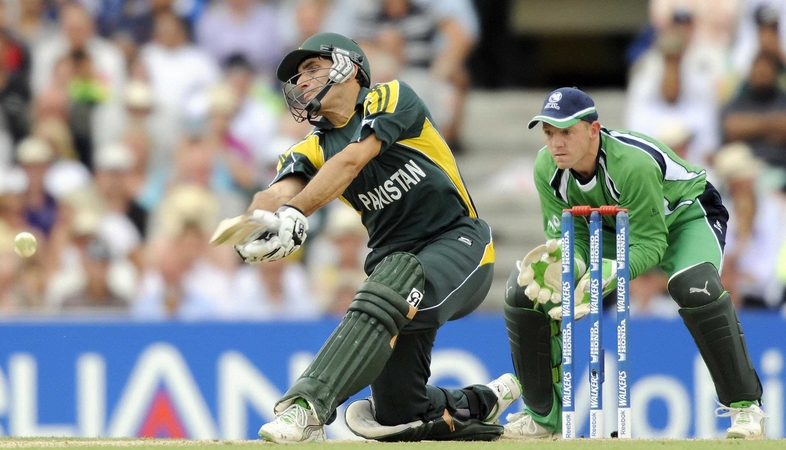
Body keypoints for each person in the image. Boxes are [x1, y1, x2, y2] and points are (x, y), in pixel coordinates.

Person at [229, 32, 519, 443]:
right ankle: (479, 401)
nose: (302, 81)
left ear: (350, 66)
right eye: (297, 76)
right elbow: (277, 191)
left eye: (312, 68)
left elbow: (352, 160)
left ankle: (307, 408)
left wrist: (295, 213)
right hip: (392, 275)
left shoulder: (391, 97)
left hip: (459, 246)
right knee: (396, 411)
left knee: (395, 271)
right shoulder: (313, 147)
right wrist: (257, 219)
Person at [504, 87, 767, 439]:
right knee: (522, 291)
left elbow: (651, 242)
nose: (556, 143)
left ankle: (745, 408)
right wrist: (571, 267)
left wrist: (606, 277)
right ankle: (543, 417)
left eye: (566, 132)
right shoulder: (546, 167)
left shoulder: (631, 164)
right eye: (549, 133)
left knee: (694, 287)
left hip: (684, 217)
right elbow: (576, 238)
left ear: (593, 130)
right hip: (615, 227)